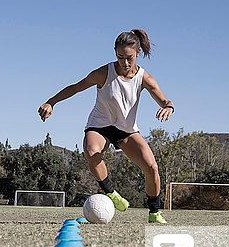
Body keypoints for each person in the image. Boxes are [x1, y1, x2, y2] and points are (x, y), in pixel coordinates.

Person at [38, 29, 174, 223]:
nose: (125, 63)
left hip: (126, 130)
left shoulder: (145, 78)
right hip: (99, 126)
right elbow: (76, 87)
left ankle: (154, 213)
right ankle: (111, 193)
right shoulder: (104, 73)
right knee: (92, 152)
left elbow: (164, 100)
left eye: (129, 58)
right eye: (120, 57)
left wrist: (169, 107)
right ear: (115, 53)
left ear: (137, 54)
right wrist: (51, 102)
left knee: (152, 167)